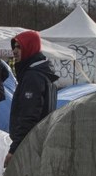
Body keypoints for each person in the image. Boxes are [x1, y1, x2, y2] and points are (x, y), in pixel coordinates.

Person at [4, 30, 58, 167]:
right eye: (14, 47)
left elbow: (29, 115)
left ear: (30, 47)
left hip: (29, 145)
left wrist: (14, 149)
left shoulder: (33, 76)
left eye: (19, 47)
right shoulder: (44, 73)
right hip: (39, 143)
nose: (14, 51)